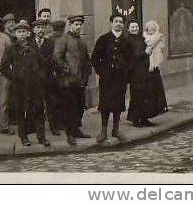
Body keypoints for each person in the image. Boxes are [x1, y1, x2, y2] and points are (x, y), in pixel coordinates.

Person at [1, 22, 51, 147]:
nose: (22, 34)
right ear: (15, 34)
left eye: (24, 32)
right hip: (19, 86)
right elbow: (4, 67)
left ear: (28, 33)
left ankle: (41, 137)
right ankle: (23, 137)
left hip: (35, 85)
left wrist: (40, 75)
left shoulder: (34, 47)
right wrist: (14, 76)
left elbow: (42, 63)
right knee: (21, 111)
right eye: (19, 32)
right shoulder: (11, 48)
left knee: (39, 110)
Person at [54, 15, 92, 145]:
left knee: (79, 106)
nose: (78, 27)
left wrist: (86, 76)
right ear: (70, 25)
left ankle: (76, 130)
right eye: (76, 24)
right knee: (69, 107)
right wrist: (67, 71)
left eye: (80, 24)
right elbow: (57, 58)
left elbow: (87, 60)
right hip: (67, 81)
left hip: (80, 80)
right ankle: (69, 133)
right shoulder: (63, 39)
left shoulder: (81, 41)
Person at [92, 14, 130, 143]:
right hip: (107, 78)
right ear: (111, 23)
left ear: (123, 25)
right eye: (116, 21)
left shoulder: (126, 41)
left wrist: (125, 72)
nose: (118, 23)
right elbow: (95, 57)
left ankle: (116, 129)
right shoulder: (104, 39)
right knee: (105, 103)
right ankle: (103, 131)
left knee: (118, 103)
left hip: (120, 79)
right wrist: (101, 71)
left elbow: (131, 60)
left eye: (121, 22)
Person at [126, 21, 168, 127]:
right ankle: (135, 119)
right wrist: (145, 53)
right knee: (137, 95)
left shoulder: (141, 38)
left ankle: (144, 118)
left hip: (145, 70)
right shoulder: (127, 41)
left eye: (136, 26)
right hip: (135, 71)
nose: (135, 28)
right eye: (132, 27)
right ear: (128, 29)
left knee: (145, 94)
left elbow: (152, 47)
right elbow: (133, 56)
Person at [31, 19, 60, 136]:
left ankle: (54, 127)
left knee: (51, 103)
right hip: (34, 78)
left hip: (48, 77)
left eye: (42, 28)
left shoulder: (50, 43)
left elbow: (53, 60)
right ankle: (36, 127)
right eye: (38, 28)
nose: (40, 30)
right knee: (36, 104)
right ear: (33, 30)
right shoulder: (29, 43)